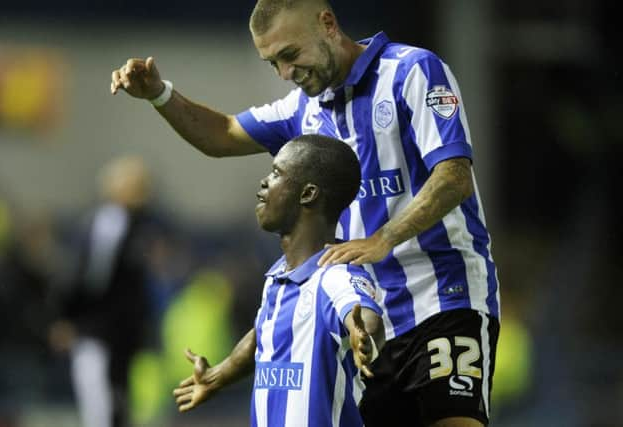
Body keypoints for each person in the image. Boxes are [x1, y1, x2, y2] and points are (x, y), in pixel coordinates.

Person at [111, 1, 500, 425]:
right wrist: (159, 94)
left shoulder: (413, 72)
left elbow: (454, 176)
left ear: (327, 25)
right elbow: (220, 135)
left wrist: (383, 238)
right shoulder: (302, 110)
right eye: (273, 62)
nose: (284, 73)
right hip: (359, 318)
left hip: (443, 299)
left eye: (290, 55)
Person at [172, 134, 385, 426]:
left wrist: (366, 337)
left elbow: (365, 318)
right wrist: (217, 376)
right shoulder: (277, 277)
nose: (264, 183)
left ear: (308, 194)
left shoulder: (335, 275)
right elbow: (264, 334)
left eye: (276, 173)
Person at [49, 156, 160, 427]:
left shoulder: (136, 224)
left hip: (119, 337)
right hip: (98, 335)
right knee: (102, 412)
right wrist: (67, 317)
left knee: (113, 410)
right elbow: (89, 277)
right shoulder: (111, 222)